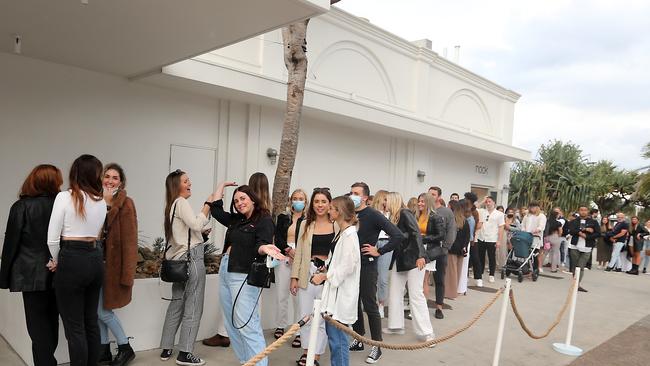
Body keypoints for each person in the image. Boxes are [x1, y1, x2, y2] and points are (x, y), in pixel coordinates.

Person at [210, 182, 284, 366]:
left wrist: (265, 248)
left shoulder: (264, 220)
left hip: (243, 274)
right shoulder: (237, 220)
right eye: (236, 201)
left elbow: (261, 244)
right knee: (232, 323)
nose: (239, 203)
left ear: (253, 199)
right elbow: (216, 210)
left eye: (243, 198)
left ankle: (259, 364)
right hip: (226, 270)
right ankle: (246, 361)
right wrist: (222, 185)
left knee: (247, 324)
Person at [47, 155, 107, 366]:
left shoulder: (64, 197)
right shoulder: (101, 201)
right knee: (91, 321)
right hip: (95, 259)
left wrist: (55, 260)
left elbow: (52, 238)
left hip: (72, 259)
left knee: (74, 327)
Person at [0, 164, 62, 366]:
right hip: (58, 272)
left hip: (30, 276)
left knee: (37, 327)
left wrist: (3, 277)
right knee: (53, 323)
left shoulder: (21, 207)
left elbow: (11, 245)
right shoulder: (62, 206)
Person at [159, 170, 213, 365]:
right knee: (193, 306)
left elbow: (184, 234)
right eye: (185, 181)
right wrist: (207, 205)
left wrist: (200, 235)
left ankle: (166, 348)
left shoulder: (171, 206)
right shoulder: (181, 202)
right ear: (177, 185)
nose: (190, 183)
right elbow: (196, 224)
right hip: (192, 261)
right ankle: (185, 353)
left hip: (179, 263)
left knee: (177, 304)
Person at [363, 192, 433, 343]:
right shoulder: (394, 216)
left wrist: (421, 255)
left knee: (416, 295)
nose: (384, 203)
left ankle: (427, 333)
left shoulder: (405, 213)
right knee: (395, 291)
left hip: (415, 259)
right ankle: (396, 326)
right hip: (401, 260)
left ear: (393, 201)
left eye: (386, 200)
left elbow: (416, 234)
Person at [349, 182, 403, 364]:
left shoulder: (373, 214)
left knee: (370, 305)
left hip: (367, 265)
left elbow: (397, 235)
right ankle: (359, 337)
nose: (352, 195)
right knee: (353, 303)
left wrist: (379, 251)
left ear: (365, 197)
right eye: (351, 192)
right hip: (351, 266)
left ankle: (376, 345)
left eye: (356, 193)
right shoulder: (349, 213)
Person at [310, 196, 361, 366]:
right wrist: (326, 268)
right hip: (335, 293)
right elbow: (338, 262)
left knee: (338, 342)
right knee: (335, 340)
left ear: (339, 212)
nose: (328, 210)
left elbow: (348, 266)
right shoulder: (341, 233)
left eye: (331, 208)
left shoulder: (349, 236)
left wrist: (325, 276)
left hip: (342, 295)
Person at [97, 164, 138, 366]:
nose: (110, 181)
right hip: (94, 264)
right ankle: (103, 349)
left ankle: (125, 347)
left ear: (121, 182)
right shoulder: (94, 201)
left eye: (115, 178)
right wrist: (103, 203)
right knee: (97, 310)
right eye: (107, 176)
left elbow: (131, 241)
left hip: (113, 267)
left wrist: (128, 273)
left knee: (103, 311)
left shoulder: (126, 203)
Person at [290, 188, 335, 366]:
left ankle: (315, 356)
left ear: (330, 203)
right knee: (305, 315)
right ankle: (306, 352)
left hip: (327, 275)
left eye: (323, 201)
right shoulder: (305, 224)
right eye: (317, 201)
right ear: (312, 204)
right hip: (306, 272)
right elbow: (299, 253)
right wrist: (294, 277)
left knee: (322, 317)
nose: (320, 205)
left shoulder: (336, 225)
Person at [273, 189, 307, 346]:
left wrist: (298, 255)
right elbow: (278, 238)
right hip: (283, 256)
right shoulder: (283, 217)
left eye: (301, 198)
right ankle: (280, 325)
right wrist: (288, 250)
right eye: (295, 198)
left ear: (305, 202)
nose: (298, 201)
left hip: (302, 259)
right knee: (282, 294)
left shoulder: (309, 219)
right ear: (290, 200)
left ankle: (298, 331)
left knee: (298, 298)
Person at [417, 192, 446, 318]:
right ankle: (417, 307)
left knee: (424, 280)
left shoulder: (435, 217)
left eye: (423, 201)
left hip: (429, 251)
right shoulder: (417, 215)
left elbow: (441, 235)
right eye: (419, 201)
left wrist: (424, 238)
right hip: (417, 249)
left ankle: (422, 310)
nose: (420, 203)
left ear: (428, 202)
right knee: (416, 280)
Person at [566, 206, 600, 292]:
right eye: (581, 210)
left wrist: (587, 236)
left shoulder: (593, 222)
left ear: (588, 211)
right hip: (574, 246)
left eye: (585, 210)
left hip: (587, 247)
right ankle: (575, 284)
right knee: (574, 266)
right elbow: (571, 231)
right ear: (579, 211)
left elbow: (598, 233)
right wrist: (583, 231)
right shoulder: (574, 221)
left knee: (580, 266)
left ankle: (577, 284)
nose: (583, 212)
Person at [473, 196, 504, 286]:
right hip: (481, 237)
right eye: (487, 202)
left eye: (490, 201)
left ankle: (491, 274)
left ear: (494, 202)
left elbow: (501, 227)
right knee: (480, 256)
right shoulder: (482, 211)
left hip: (492, 238)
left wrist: (499, 240)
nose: (488, 203)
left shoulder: (499, 214)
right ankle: (481, 273)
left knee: (491, 257)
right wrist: (483, 200)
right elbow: (474, 207)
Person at [370, 190, 390, 319]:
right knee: (370, 275)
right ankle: (369, 302)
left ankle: (381, 304)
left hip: (386, 244)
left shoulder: (392, 214)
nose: (386, 202)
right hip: (373, 242)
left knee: (383, 278)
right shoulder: (372, 213)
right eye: (384, 199)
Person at [445, 200, 470, 300]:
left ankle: (449, 293)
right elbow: (467, 237)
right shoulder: (465, 221)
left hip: (452, 249)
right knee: (458, 271)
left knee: (451, 272)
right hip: (461, 249)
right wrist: (464, 246)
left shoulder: (452, 220)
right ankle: (454, 291)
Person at [458, 192, 479, 295]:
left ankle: (462, 288)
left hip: (466, 242)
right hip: (464, 242)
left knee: (464, 265)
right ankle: (460, 286)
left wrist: (467, 243)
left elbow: (470, 233)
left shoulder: (472, 215)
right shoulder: (465, 214)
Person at [521, 201, 547, 275]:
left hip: (535, 238)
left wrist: (536, 230)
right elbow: (523, 224)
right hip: (526, 237)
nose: (532, 208)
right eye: (531, 207)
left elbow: (541, 226)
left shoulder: (541, 216)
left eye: (534, 207)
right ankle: (526, 269)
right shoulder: (527, 216)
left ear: (537, 207)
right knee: (526, 254)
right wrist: (524, 230)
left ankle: (535, 270)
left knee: (534, 255)